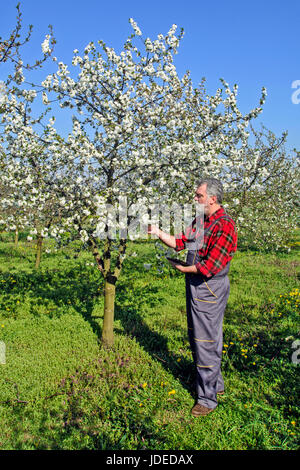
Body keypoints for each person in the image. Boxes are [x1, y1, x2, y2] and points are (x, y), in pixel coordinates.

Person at [148, 178, 237, 417]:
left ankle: (207, 400)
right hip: (197, 285)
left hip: (209, 287)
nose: (194, 199)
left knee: (205, 341)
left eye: (198, 195)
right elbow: (180, 242)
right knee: (206, 337)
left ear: (212, 199)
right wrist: (157, 232)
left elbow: (212, 265)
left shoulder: (224, 225)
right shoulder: (202, 221)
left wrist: (185, 269)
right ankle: (215, 385)